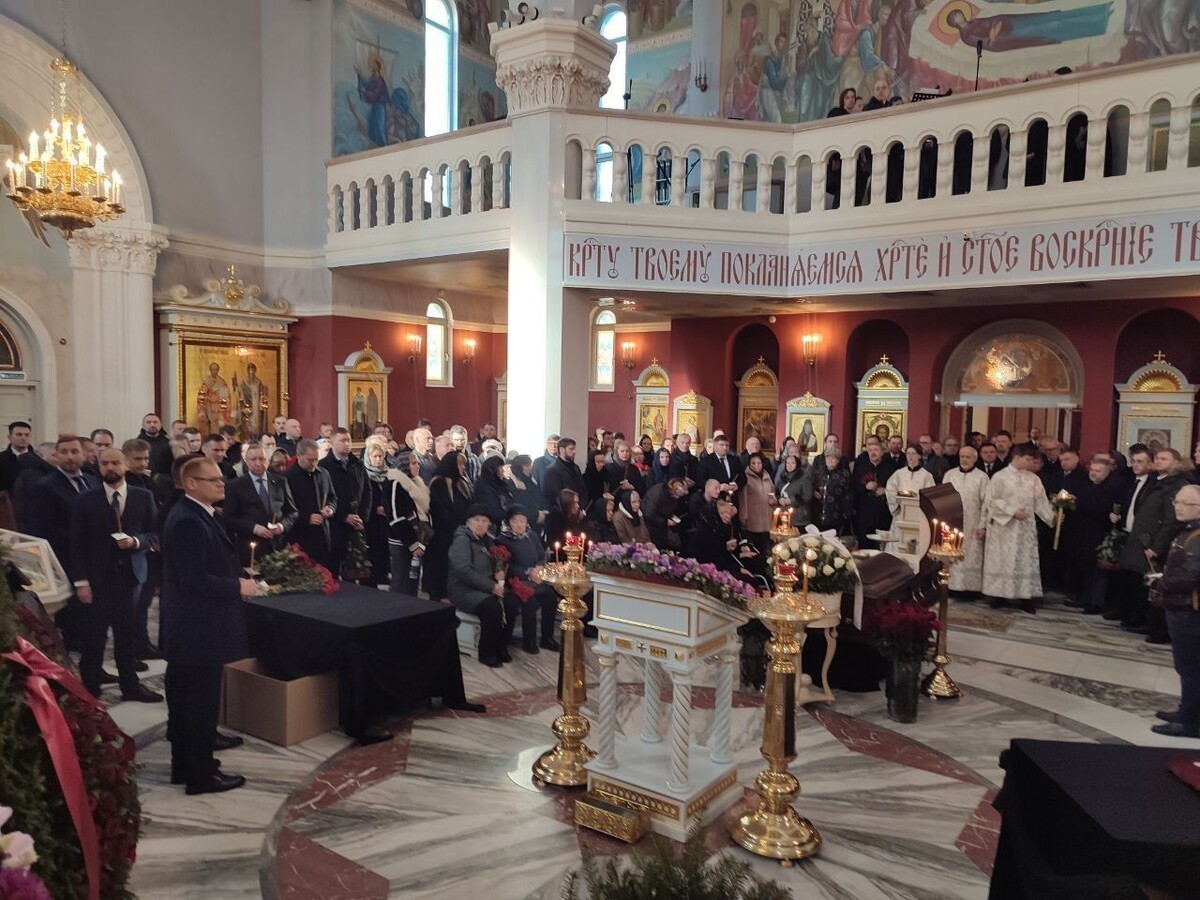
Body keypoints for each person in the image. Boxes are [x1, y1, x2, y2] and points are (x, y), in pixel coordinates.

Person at [160, 457, 259, 794]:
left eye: (221, 479)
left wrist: (236, 573)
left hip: (192, 627)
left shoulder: (198, 514)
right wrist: (237, 586)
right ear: (191, 484)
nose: (222, 484)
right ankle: (201, 775)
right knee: (199, 705)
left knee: (187, 702)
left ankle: (184, 766)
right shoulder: (188, 520)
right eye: (213, 479)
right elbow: (193, 579)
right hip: (197, 629)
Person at [69, 447, 161, 702]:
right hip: (96, 579)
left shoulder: (143, 497)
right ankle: (90, 688)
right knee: (94, 636)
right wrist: (81, 582)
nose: (110, 468)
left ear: (125, 465)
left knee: (126, 635)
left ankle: (130, 686)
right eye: (105, 463)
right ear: (99, 467)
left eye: (115, 463)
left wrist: (135, 542)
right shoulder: (86, 499)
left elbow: (155, 534)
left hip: (130, 578)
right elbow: (76, 544)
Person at [1148, 483, 1200, 739]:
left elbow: (1191, 576)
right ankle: (1186, 711)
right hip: (1180, 606)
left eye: (1186, 503)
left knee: (1190, 667)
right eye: (1177, 502)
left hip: (1188, 610)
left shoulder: (1197, 537)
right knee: (1186, 666)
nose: (1178, 507)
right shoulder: (1188, 531)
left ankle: (1189, 722)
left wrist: (1159, 583)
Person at [983, 443, 1055, 613]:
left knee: (1024, 561)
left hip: (1025, 529)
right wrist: (1012, 512)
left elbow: (1040, 501)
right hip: (1004, 528)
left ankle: (1025, 597)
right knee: (1003, 560)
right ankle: (999, 596)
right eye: (1028, 459)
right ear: (1017, 458)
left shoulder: (1033, 479)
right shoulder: (1000, 477)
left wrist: (1052, 517)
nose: (1031, 463)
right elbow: (992, 500)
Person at [448, 506, 515, 668]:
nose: (480, 524)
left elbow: (495, 561)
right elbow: (463, 570)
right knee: (492, 608)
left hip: (485, 587)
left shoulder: (487, 540)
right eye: (476, 520)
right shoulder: (462, 540)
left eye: (484, 521)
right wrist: (491, 586)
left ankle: (501, 646)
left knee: (511, 602)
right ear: (468, 522)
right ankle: (487, 653)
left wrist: (499, 570)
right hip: (463, 589)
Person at [222, 441, 298, 568]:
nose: (258, 463)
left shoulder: (280, 482)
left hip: (278, 548)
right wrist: (254, 528)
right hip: (251, 548)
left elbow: (292, 512)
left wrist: (282, 526)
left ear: (268, 460)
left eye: (262, 459)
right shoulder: (235, 486)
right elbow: (229, 518)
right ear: (246, 461)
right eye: (253, 459)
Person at [496, 506, 559, 654]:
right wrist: (528, 572)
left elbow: (541, 555)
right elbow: (506, 567)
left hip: (535, 578)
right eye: (515, 521)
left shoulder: (532, 535)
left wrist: (539, 568)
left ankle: (547, 637)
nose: (519, 524)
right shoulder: (502, 540)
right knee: (530, 601)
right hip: (516, 582)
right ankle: (528, 641)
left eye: (522, 521)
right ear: (509, 522)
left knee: (550, 596)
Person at [319, 428, 369, 577]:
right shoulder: (323, 466)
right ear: (332, 442)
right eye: (342, 440)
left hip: (357, 523)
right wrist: (343, 517)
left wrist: (362, 517)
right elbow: (324, 497)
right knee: (333, 568)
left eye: (349, 440)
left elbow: (367, 492)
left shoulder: (357, 464)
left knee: (355, 570)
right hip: (335, 525)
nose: (347, 444)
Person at [283, 439, 337, 569]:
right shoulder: (287, 478)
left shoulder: (324, 474)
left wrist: (330, 509)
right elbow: (284, 509)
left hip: (323, 536)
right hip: (300, 537)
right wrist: (307, 518)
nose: (313, 463)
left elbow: (333, 498)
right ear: (299, 455)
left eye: (316, 459)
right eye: (309, 459)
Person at [428, 450, 473, 602]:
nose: (463, 468)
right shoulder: (439, 483)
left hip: (461, 532)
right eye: (460, 464)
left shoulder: (461, 483)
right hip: (443, 534)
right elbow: (440, 510)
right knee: (442, 566)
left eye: (464, 465)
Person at [943, 445, 990, 594]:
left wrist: (982, 525)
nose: (964, 460)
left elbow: (986, 504)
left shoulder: (982, 477)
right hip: (952, 522)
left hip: (973, 523)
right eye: (962, 456)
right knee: (952, 552)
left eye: (968, 457)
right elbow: (942, 498)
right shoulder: (950, 475)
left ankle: (971, 588)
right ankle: (952, 586)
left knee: (971, 554)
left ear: (975, 459)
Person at [385, 450, 429, 595]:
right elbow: (395, 517)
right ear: (405, 465)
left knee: (412, 580)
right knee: (401, 581)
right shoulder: (395, 483)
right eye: (414, 463)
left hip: (418, 537)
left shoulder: (417, 482)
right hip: (402, 541)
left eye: (417, 463)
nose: (418, 466)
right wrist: (412, 543)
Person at [360, 436, 394, 586]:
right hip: (370, 517)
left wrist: (386, 507)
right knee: (372, 547)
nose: (378, 460)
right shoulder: (363, 473)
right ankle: (371, 578)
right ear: (369, 457)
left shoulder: (388, 473)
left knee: (384, 546)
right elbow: (362, 495)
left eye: (381, 456)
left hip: (386, 516)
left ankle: (383, 574)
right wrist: (375, 508)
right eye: (375, 457)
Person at [852, 439, 891, 547]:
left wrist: (885, 490)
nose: (873, 453)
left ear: (882, 452)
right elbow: (853, 489)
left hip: (883, 514)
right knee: (865, 546)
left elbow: (896, 489)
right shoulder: (860, 469)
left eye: (876, 450)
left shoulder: (890, 469)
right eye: (870, 450)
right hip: (865, 514)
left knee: (881, 547)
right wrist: (865, 487)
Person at [738, 452, 776, 556]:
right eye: (753, 463)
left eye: (759, 463)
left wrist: (774, 501)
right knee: (753, 550)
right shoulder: (746, 478)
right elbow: (742, 498)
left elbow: (772, 492)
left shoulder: (767, 476)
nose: (756, 465)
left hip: (766, 519)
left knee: (764, 549)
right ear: (749, 464)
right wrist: (743, 517)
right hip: (752, 519)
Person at [643, 478, 688, 550]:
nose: (677, 497)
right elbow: (648, 514)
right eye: (675, 494)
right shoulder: (656, 494)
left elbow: (668, 508)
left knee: (676, 542)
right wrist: (665, 521)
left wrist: (671, 516)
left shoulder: (671, 495)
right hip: (651, 525)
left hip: (663, 523)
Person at [474, 455, 513, 533]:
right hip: (494, 528)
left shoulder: (501, 484)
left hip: (505, 525)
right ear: (492, 470)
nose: (503, 471)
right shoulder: (484, 488)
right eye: (500, 468)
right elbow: (495, 512)